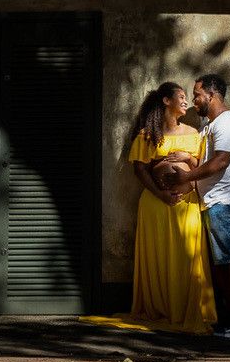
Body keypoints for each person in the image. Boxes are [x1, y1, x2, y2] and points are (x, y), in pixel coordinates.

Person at [80, 82, 217, 334]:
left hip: (186, 205)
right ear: (166, 101)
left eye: (188, 97)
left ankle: (188, 310)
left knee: (188, 260)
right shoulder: (148, 134)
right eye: (181, 97)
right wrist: (161, 194)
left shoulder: (193, 133)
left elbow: (199, 164)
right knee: (160, 258)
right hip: (156, 205)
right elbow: (139, 169)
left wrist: (187, 158)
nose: (186, 102)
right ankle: (161, 309)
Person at [161, 74, 230, 340]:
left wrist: (184, 177)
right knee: (223, 264)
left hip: (228, 202)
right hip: (216, 203)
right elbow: (209, 159)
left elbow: (220, 163)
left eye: (198, 94)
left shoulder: (226, 123)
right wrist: (188, 158)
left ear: (212, 95)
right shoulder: (210, 127)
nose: (194, 101)